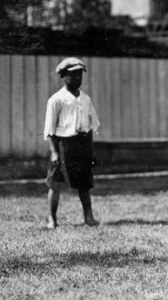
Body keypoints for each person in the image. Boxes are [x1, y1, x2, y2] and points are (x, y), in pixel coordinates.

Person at [43, 57, 100, 229]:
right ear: (63, 77)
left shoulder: (85, 99)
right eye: (72, 75)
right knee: (56, 183)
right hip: (63, 145)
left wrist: (91, 150)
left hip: (82, 144)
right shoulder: (56, 99)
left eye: (79, 75)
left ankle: (88, 217)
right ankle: (52, 219)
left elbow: (90, 126)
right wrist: (54, 153)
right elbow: (50, 130)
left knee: (85, 183)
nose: (77, 79)